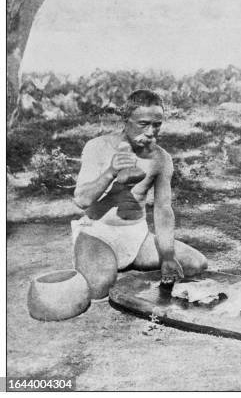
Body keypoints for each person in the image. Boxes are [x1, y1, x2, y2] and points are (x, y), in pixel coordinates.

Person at [73, 89, 207, 289]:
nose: (151, 132)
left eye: (157, 125)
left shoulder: (161, 158)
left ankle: (120, 266)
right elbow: (81, 200)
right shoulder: (97, 147)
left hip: (137, 236)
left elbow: (163, 209)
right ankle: (95, 260)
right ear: (125, 120)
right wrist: (110, 171)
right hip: (97, 233)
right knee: (99, 286)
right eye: (143, 124)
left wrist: (168, 255)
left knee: (195, 264)